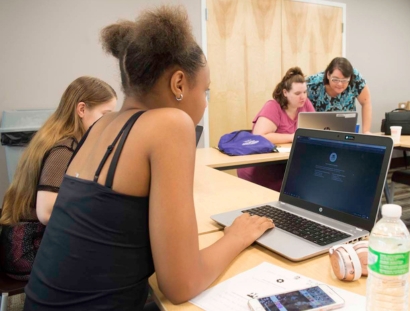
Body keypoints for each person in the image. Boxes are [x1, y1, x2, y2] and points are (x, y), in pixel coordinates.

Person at [23, 5, 274, 310]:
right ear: (179, 83)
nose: (205, 104)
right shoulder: (171, 123)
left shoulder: (102, 124)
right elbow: (181, 284)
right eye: (205, 91)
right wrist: (237, 235)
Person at [0, 76, 117, 281]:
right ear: (81, 109)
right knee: (111, 253)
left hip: (21, 243)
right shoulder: (64, 148)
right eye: (105, 114)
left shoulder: (56, 137)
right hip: (28, 250)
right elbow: (46, 213)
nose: (108, 122)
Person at [237, 67, 315, 191]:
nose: (303, 97)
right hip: (262, 168)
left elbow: (315, 129)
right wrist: (292, 137)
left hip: (287, 164)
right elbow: (259, 136)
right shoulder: (273, 106)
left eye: (305, 92)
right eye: (297, 93)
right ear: (285, 92)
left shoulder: (306, 104)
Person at [306, 57, 372, 133]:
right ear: (328, 75)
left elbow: (366, 101)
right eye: (335, 79)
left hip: (347, 132)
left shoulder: (355, 78)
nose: (340, 84)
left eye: (344, 80)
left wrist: (366, 131)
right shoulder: (313, 84)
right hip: (318, 132)